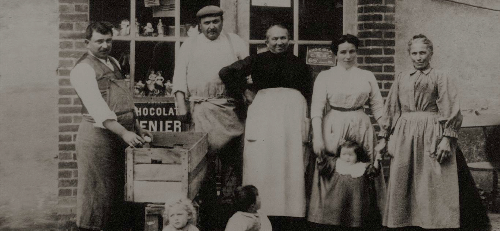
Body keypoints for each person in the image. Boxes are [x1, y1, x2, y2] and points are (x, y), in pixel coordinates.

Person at [378, 34, 490, 230]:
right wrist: (384, 137)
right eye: (414, 53)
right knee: (404, 181)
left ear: (431, 53)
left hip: (432, 133)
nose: (418, 57)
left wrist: (447, 138)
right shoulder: (401, 77)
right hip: (405, 134)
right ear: (409, 54)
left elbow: (451, 108)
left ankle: (433, 224)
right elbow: (391, 109)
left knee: (431, 183)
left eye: (423, 52)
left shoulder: (440, 77)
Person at [219, 24, 312, 230]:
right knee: (263, 159)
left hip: (291, 116)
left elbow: (308, 91)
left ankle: (290, 213)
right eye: (274, 39)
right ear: (266, 42)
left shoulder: (299, 64)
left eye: (283, 38)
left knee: (290, 161)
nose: (279, 42)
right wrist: (244, 90)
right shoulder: (257, 60)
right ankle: (261, 212)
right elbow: (226, 72)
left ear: (289, 40)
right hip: (265, 114)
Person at [171, 5, 249, 229]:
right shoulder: (190, 45)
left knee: (232, 169)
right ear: (200, 25)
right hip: (201, 111)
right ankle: (205, 220)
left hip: (230, 111)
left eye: (216, 21)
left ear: (222, 22)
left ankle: (229, 219)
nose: (212, 26)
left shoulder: (235, 42)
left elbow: (248, 73)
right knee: (202, 170)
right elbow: (179, 78)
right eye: (207, 23)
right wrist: (181, 106)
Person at [70, 21, 153, 231]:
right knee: (98, 196)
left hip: (119, 136)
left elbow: (125, 99)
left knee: (119, 194)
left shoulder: (113, 62)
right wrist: (125, 132)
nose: (105, 45)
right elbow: (98, 109)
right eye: (99, 41)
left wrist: (137, 126)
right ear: (87, 42)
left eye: (108, 40)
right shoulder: (83, 69)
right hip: (98, 139)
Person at [308, 34, 386, 228]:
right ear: (336, 54)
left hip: (360, 123)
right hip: (333, 123)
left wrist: (386, 132)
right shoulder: (325, 76)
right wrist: (317, 137)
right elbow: (316, 109)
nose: (348, 56)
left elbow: (378, 107)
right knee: (333, 169)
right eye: (343, 52)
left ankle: (362, 217)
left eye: (352, 51)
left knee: (362, 166)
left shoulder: (366, 76)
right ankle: (330, 219)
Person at [308, 140, 382, 231]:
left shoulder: (363, 166)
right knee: (336, 221)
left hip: (356, 203)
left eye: (351, 155)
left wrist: (378, 156)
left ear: (357, 155)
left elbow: (374, 172)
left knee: (354, 221)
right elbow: (323, 168)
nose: (347, 158)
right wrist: (320, 156)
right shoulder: (335, 163)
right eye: (344, 154)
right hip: (337, 204)